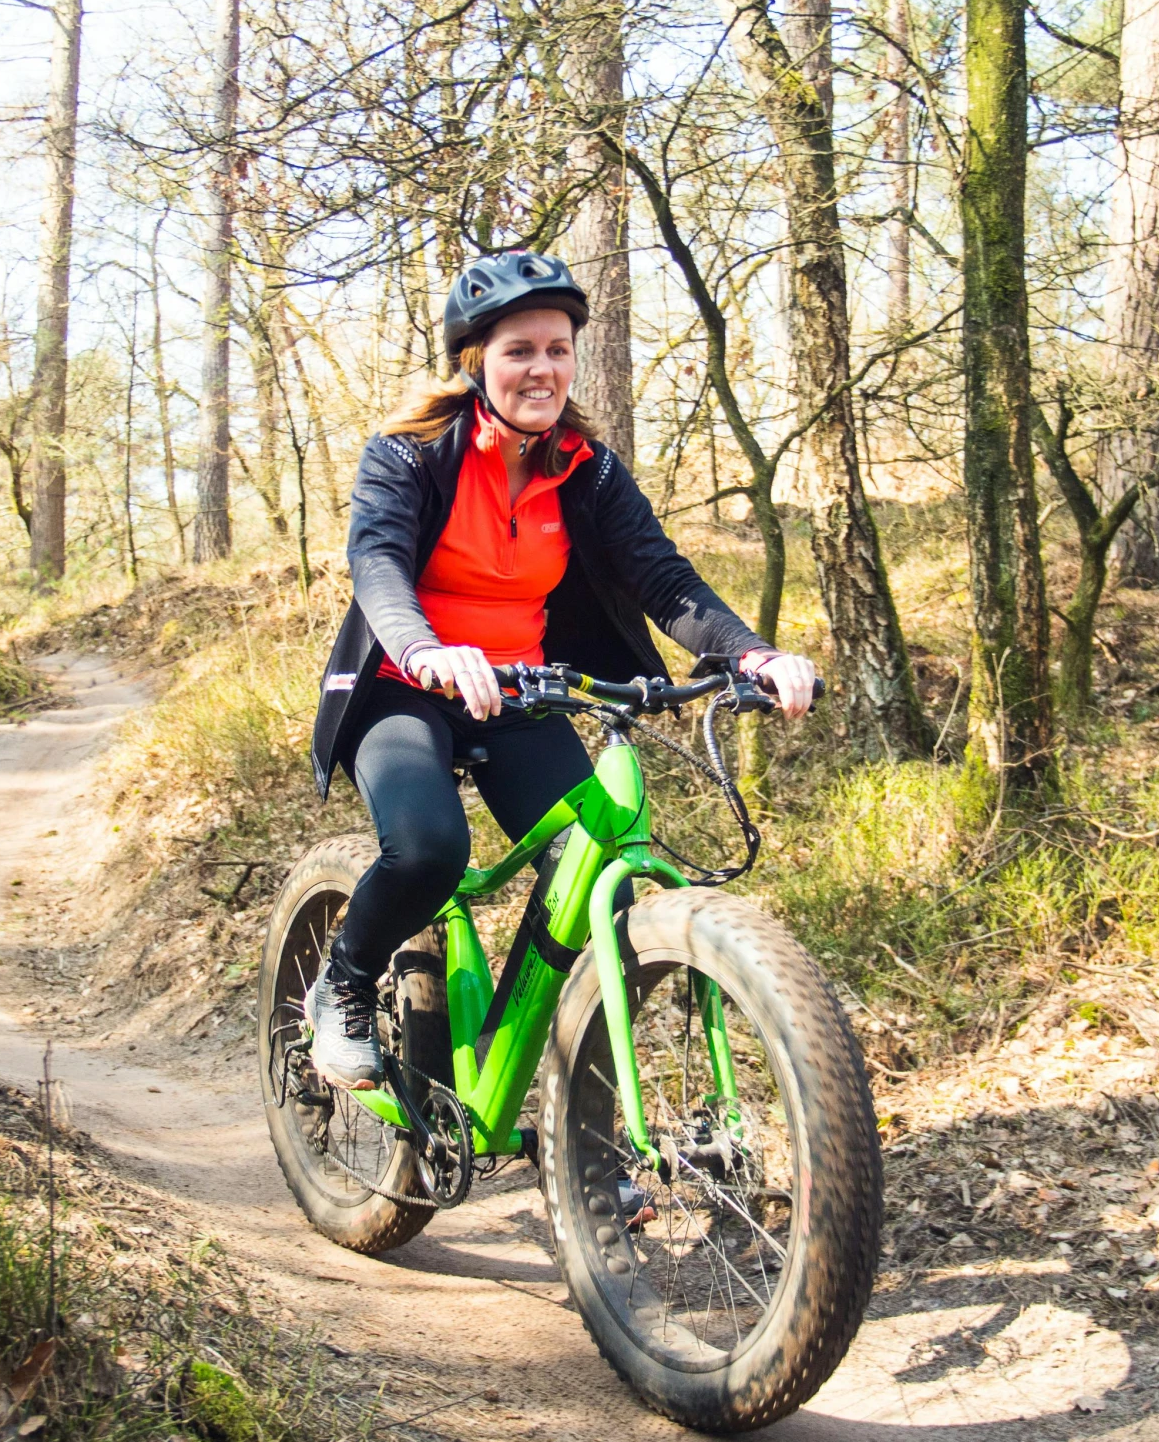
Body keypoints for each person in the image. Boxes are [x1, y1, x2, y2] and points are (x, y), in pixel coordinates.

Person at [306, 250, 819, 1090]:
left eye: (557, 348)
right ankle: (346, 983)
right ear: (476, 362)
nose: (541, 368)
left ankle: (572, 1112)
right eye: (519, 350)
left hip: (519, 692)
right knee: (431, 848)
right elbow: (379, 566)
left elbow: (664, 576)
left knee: (599, 881)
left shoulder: (587, 467)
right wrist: (427, 650)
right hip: (404, 689)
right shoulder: (411, 454)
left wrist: (750, 651)